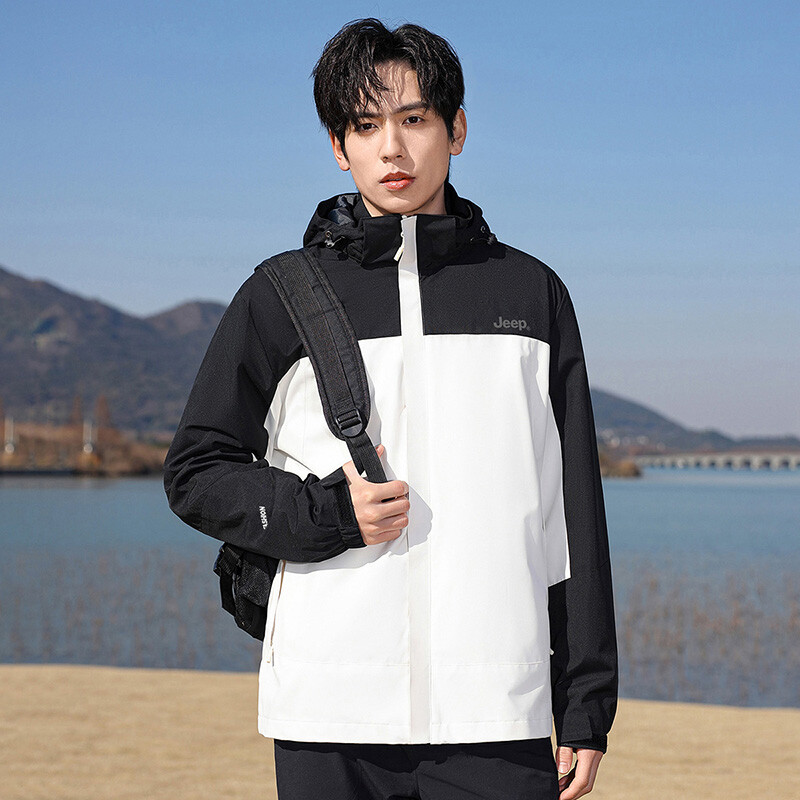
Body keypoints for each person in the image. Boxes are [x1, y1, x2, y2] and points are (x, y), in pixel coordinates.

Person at [164, 17, 617, 800]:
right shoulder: (279, 296)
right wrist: (324, 514)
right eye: (366, 126)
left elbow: (571, 514)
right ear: (339, 147)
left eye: (414, 119)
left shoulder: (531, 294)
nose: (393, 149)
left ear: (457, 130)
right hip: (327, 708)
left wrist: (584, 702)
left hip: (496, 712)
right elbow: (196, 471)